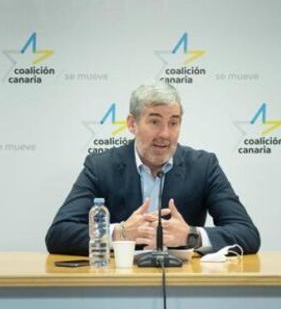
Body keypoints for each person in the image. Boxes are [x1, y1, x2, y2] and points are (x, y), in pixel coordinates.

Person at [46, 81, 260, 256]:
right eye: (155, 122)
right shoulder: (101, 166)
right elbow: (59, 234)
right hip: (119, 285)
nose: (165, 134)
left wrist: (191, 235)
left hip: (184, 286)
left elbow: (247, 234)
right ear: (132, 124)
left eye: (173, 123)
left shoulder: (203, 166)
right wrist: (120, 233)